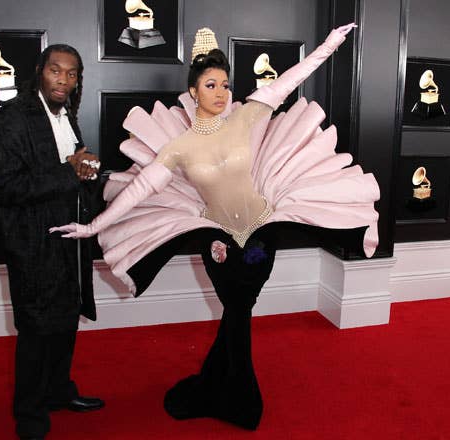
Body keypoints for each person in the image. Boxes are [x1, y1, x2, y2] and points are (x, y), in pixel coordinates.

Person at [52, 24, 379, 430]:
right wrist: (92, 227)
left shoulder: (245, 116)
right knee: (237, 309)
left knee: (240, 308)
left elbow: (295, 77)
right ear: (194, 93)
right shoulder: (179, 148)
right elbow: (136, 191)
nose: (222, 92)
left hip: (262, 234)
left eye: (225, 83)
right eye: (211, 85)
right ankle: (241, 398)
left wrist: (330, 44)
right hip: (219, 241)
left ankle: (223, 385)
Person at [0, 43, 104, 440]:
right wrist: (70, 172)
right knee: (37, 331)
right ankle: (30, 415)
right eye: (56, 71)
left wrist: (86, 171)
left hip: (68, 239)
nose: (64, 80)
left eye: (71, 74)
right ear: (40, 70)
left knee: (64, 323)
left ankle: (59, 392)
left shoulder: (66, 115)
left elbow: (70, 170)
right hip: (33, 243)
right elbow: (7, 187)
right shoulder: (16, 119)